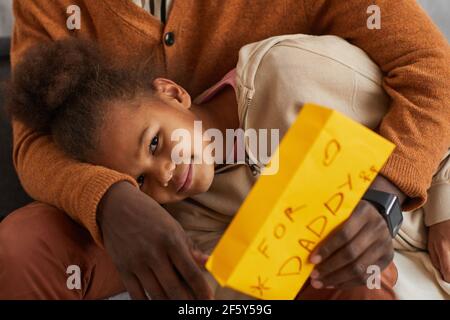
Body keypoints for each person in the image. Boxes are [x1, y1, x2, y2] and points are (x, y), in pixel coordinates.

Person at [0, 0, 449, 299]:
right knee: (22, 247)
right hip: (183, 218)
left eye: (155, 143)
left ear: (173, 94)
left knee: (355, 281)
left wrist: (387, 198)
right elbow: (34, 141)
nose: (163, 169)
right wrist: (112, 201)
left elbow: (427, 69)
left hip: (353, 209)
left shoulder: (291, 74)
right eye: (144, 172)